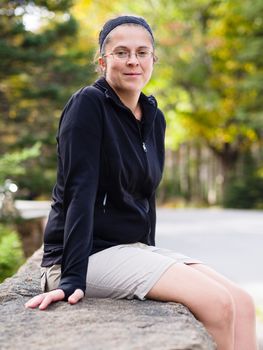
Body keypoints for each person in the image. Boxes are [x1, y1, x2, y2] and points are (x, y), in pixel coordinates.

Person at [25, 15, 258, 350]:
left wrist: (150, 253)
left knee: (242, 302)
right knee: (217, 303)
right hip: (83, 256)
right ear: (103, 61)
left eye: (141, 52)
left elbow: (145, 198)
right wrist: (72, 277)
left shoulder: (152, 116)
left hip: (129, 251)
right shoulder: (88, 105)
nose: (132, 60)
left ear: (153, 59)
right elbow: (80, 192)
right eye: (121, 53)